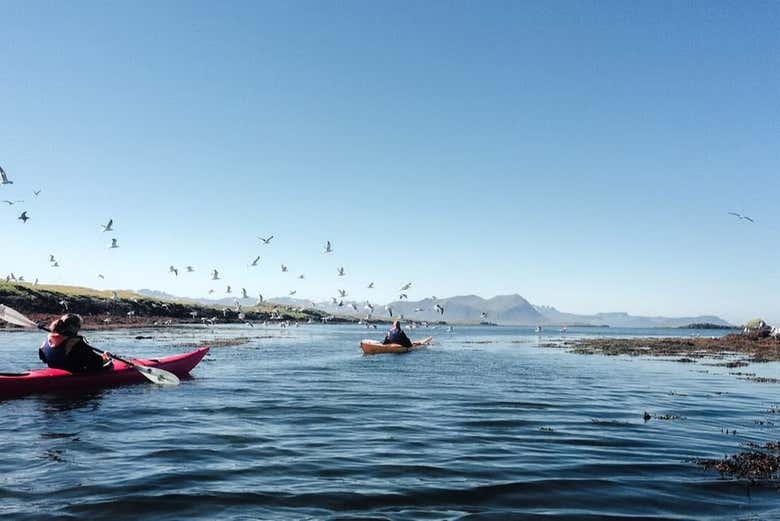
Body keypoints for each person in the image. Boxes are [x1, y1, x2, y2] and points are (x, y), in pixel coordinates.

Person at [38, 314, 112, 373]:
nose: (79, 328)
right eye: (78, 326)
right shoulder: (76, 343)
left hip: (55, 371)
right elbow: (96, 362)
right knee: (108, 366)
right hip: (74, 374)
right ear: (73, 327)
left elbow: (43, 359)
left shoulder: (47, 340)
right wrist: (106, 358)